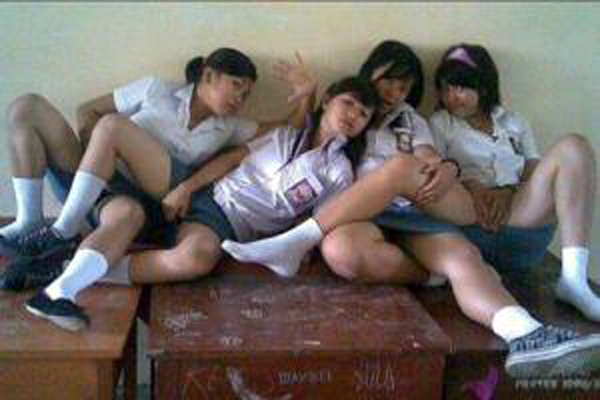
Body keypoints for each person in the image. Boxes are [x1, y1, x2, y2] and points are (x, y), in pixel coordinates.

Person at [221, 40, 600, 379]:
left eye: (403, 87)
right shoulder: (349, 112)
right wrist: (308, 96)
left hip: (420, 208)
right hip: (372, 219)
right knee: (345, 250)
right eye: (388, 80)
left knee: (440, 220)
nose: (394, 92)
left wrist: (446, 167)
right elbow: (301, 137)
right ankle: (512, 324)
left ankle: (537, 323)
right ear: (370, 73)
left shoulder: (412, 119)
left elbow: (427, 155)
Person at [22, 75, 379, 332]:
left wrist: (299, 248)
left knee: (195, 259)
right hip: (201, 191)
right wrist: (186, 188)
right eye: (348, 103)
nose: (353, 115)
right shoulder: (284, 136)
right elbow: (231, 159)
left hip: (223, 224)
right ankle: (62, 230)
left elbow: (320, 220)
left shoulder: (340, 172)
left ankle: (66, 271)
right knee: (113, 126)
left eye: (363, 114)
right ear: (328, 101)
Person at [428, 43, 600, 323]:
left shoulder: (514, 121)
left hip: (519, 210)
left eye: (460, 88)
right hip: (474, 215)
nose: (451, 97)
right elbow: (439, 172)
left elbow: (533, 171)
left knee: (574, 146)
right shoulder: (440, 123)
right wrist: (475, 188)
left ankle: (574, 281)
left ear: (483, 86)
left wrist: (509, 192)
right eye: (445, 89)